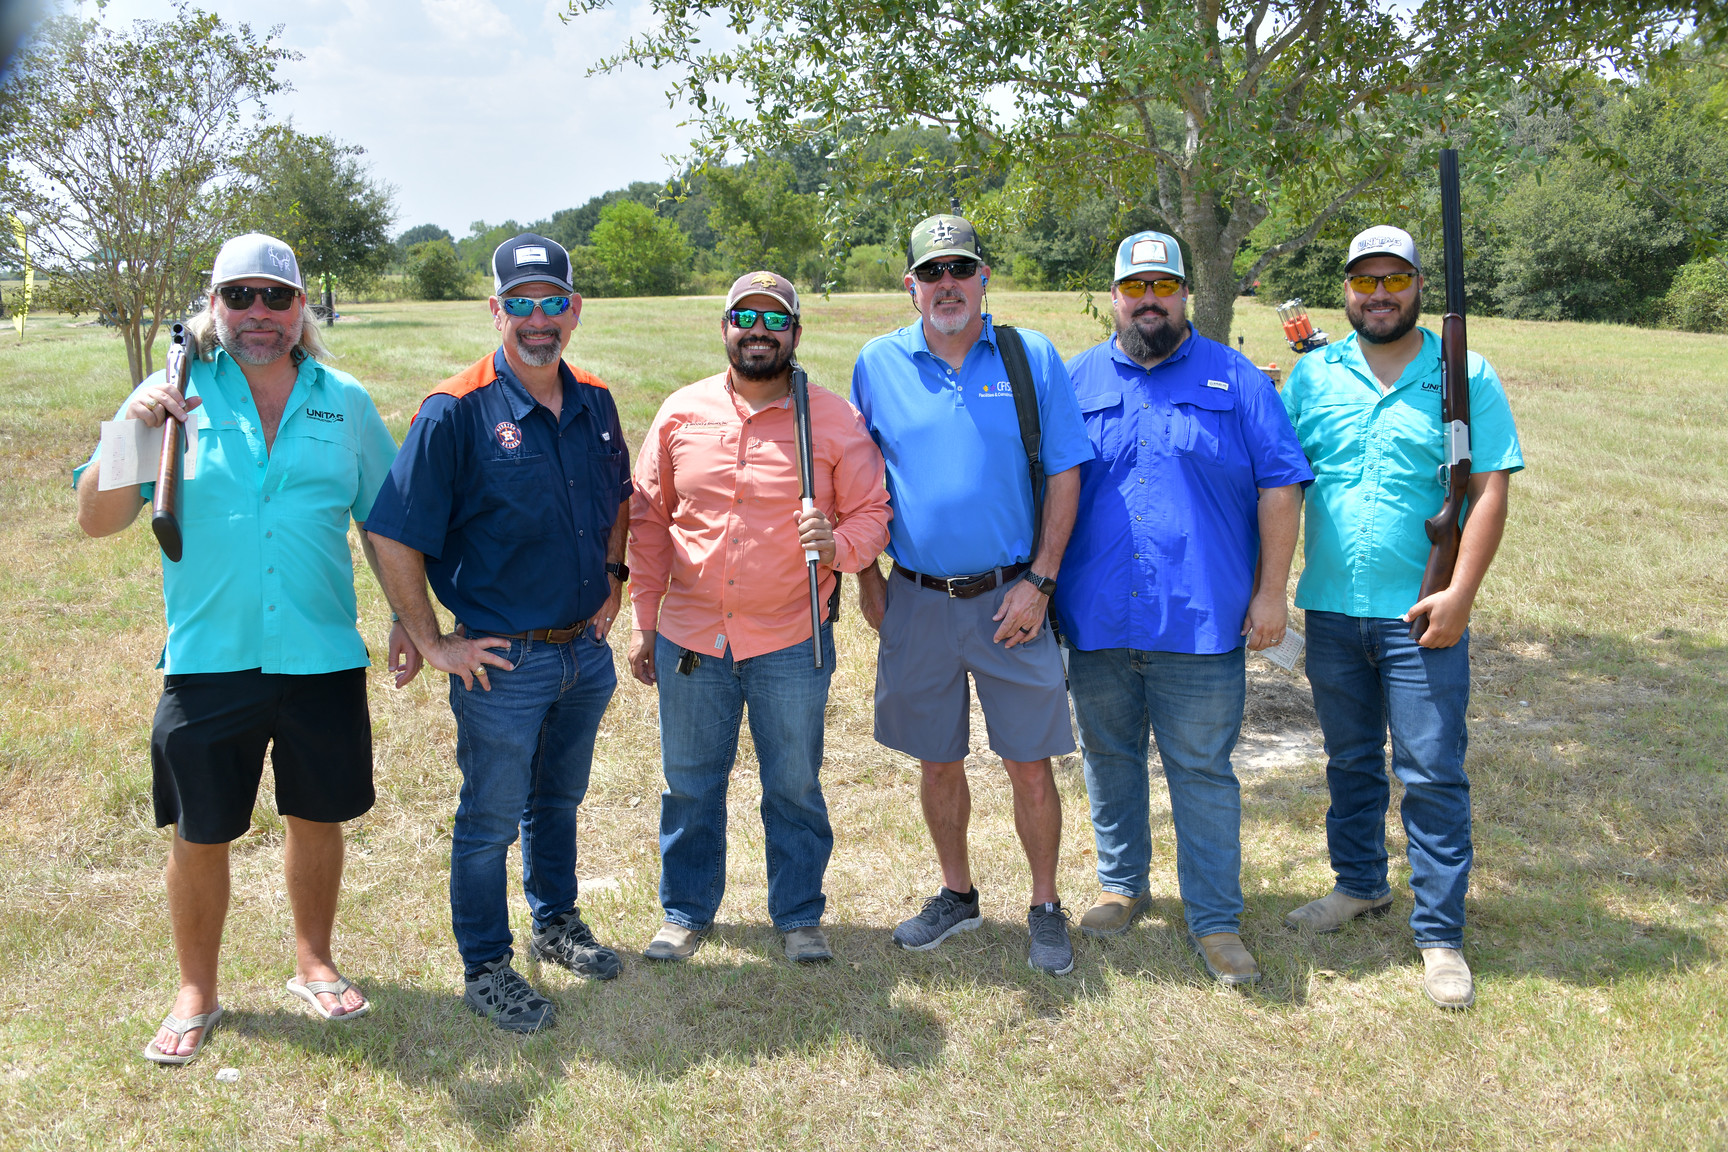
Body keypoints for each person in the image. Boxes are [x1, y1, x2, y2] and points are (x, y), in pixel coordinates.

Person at [74, 233, 400, 1063]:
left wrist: (413, 619)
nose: (260, 315)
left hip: (322, 652)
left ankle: (313, 963)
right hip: (208, 656)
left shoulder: (344, 401)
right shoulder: (171, 393)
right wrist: (129, 429)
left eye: (277, 298)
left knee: (317, 814)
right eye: (240, 297)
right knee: (200, 828)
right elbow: (97, 518)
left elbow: (384, 522)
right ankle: (197, 991)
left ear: (301, 309)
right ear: (213, 307)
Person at [364, 233, 632, 1033]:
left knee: (558, 800)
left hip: (583, 654)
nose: (538, 319)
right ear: (496, 310)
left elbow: (620, 496)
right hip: (501, 663)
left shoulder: (596, 399)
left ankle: (554, 922)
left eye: (553, 302)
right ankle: (486, 966)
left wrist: (614, 581)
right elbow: (391, 533)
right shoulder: (456, 410)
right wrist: (434, 639)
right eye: (522, 303)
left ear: (574, 310)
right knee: (488, 818)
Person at [1055, 232, 1313, 986]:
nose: (1148, 302)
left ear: (1184, 295)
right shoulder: (1073, 382)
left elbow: (1280, 487)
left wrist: (1271, 592)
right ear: (1113, 298)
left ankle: (1215, 919)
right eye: (1134, 289)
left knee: (1201, 771)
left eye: (1163, 287)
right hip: (1097, 618)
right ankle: (1122, 884)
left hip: (1201, 620)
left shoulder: (1239, 381)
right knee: (1109, 758)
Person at [1280, 225, 1523, 1009]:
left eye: (1395, 279)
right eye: (1364, 281)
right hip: (1329, 609)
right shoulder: (1313, 376)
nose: (1379, 294)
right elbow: (1279, 483)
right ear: (1345, 290)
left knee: (1429, 772)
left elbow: (1487, 490)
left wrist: (1460, 596)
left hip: (1423, 613)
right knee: (1350, 763)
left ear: (1419, 286)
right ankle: (1358, 886)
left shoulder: (1463, 374)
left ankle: (1441, 934)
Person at [851, 213, 1093, 975]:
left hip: (1012, 599)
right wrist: (868, 578)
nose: (946, 284)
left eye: (960, 269)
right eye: (931, 273)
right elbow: (856, 484)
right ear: (911, 285)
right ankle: (956, 895)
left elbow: (1064, 472)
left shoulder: (1028, 356)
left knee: (1030, 762)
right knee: (937, 760)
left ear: (984, 277)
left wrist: (1041, 582)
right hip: (917, 598)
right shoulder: (876, 364)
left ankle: (1046, 905)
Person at [627, 271, 891, 964]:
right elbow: (649, 521)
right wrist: (641, 621)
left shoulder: (832, 420)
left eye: (775, 320)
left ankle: (799, 914)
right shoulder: (681, 412)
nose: (759, 330)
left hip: (790, 637)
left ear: (796, 336)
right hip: (690, 635)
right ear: (725, 328)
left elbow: (872, 512)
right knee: (688, 783)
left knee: (794, 785)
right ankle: (685, 911)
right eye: (745, 316)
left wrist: (839, 546)